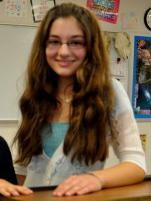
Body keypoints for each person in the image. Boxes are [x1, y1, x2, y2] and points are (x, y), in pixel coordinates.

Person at [11, 2, 146, 197]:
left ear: (90, 47)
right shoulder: (33, 95)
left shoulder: (109, 91)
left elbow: (136, 163)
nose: (63, 52)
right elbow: (22, 169)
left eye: (75, 42)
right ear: (43, 46)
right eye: (54, 41)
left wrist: (97, 178)